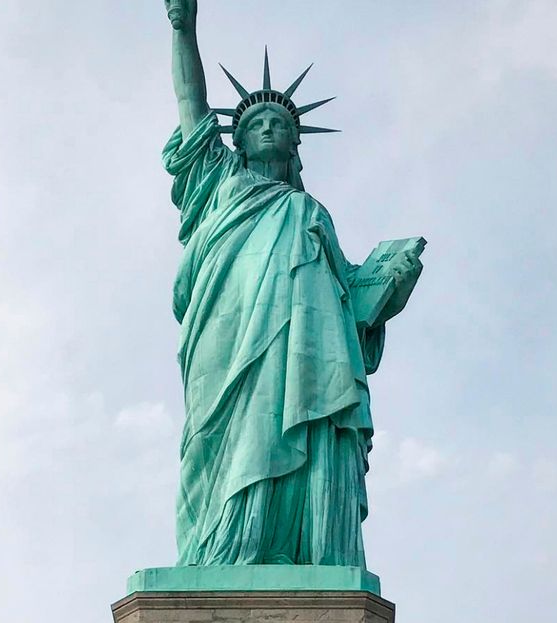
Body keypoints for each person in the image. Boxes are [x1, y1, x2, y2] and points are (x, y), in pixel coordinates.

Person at [163, 0, 423, 567]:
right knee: (219, 438)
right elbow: (190, 105)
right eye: (255, 123)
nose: (268, 128)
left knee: (303, 426)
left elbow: (349, 298)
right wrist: (184, 28)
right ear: (238, 141)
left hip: (306, 351)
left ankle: (295, 545)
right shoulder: (218, 184)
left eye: (279, 123)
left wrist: (390, 286)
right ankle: (220, 548)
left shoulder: (311, 211)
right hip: (227, 336)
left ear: (294, 141)